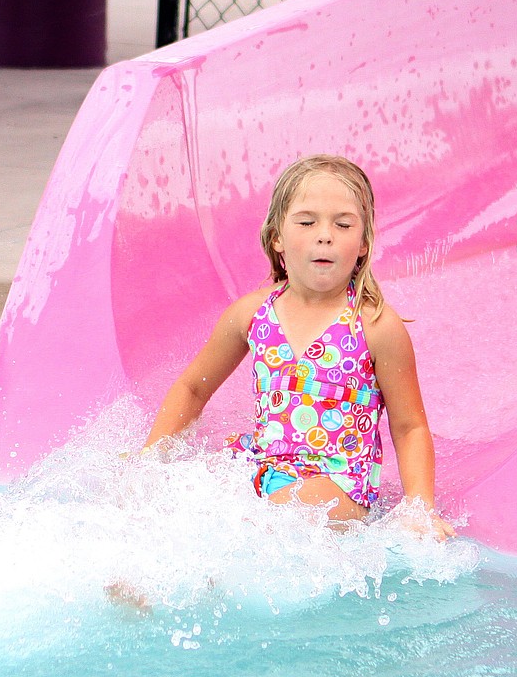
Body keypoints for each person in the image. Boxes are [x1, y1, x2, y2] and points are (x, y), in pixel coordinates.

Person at [142, 154, 454, 540]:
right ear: (277, 237)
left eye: (343, 224)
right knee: (187, 504)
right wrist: (149, 462)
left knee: (281, 519)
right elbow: (193, 388)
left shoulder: (375, 326)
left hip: (336, 483)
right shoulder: (251, 315)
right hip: (260, 467)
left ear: (362, 243)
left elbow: (409, 428)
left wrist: (419, 509)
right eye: (307, 222)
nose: (325, 234)